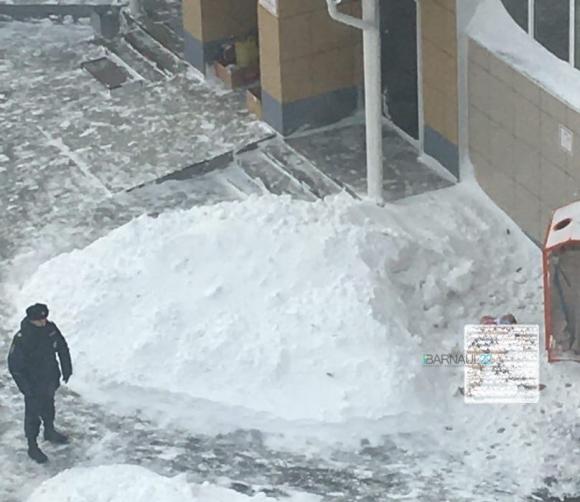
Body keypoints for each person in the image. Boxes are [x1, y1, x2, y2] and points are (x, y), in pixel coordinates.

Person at [7, 303, 72, 464]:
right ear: (31, 320)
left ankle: (49, 431)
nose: (43, 322)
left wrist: (66, 368)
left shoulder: (50, 329)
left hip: (49, 378)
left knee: (49, 407)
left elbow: (62, 347)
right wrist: (26, 389)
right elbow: (14, 366)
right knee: (32, 415)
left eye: (44, 318)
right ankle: (32, 445)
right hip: (33, 384)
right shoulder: (23, 338)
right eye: (39, 320)